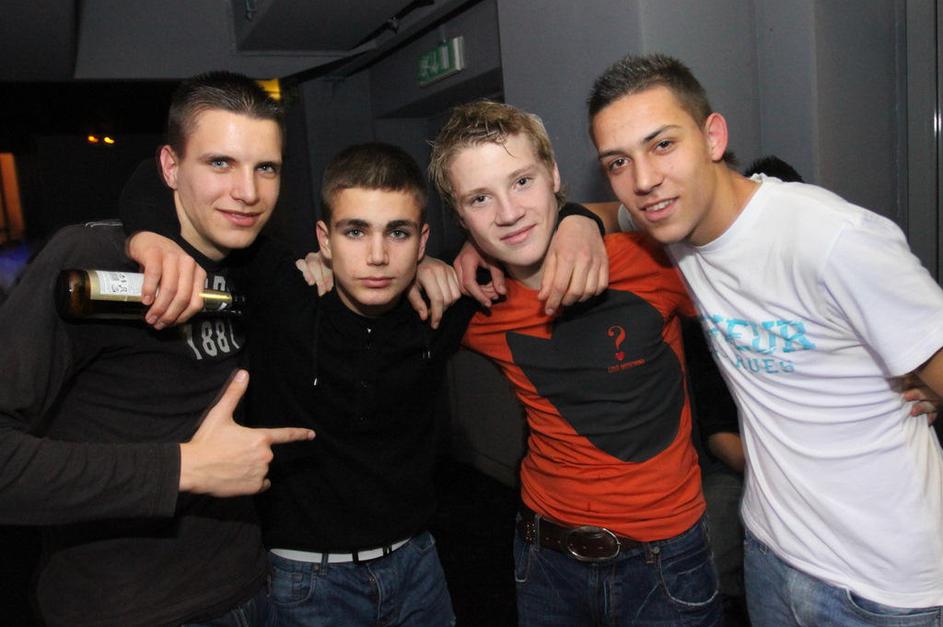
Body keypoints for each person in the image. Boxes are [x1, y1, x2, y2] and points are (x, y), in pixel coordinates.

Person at [122, 140, 608, 626]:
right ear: (325, 239)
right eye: (355, 232)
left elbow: (530, 234)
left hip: (419, 565)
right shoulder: (283, 294)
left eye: (397, 233)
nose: (377, 256)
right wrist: (151, 240)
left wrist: (578, 220)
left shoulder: (439, 307)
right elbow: (155, 177)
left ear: (421, 241)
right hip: (305, 579)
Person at [588, 53, 943, 625]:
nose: (644, 180)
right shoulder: (669, 221)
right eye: (618, 162)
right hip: (771, 554)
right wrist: (576, 223)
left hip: (884, 587)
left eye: (663, 144)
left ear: (713, 136)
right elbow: (603, 213)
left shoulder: (831, 238)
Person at [0, 71, 315, 626]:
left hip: (249, 587)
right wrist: (182, 468)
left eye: (266, 168)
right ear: (170, 167)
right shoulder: (92, 261)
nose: (248, 192)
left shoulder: (253, 267)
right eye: (220, 163)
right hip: (129, 609)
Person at [427, 99, 724, 626]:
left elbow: (729, 218)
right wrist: (420, 265)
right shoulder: (474, 303)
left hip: (666, 560)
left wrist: (583, 218)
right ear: (460, 215)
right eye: (480, 198)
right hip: (545, 561)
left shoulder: (649, 259)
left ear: (554, 176)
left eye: (522, 182)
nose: (508, 213)